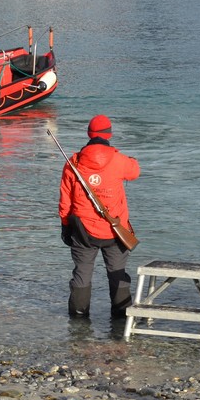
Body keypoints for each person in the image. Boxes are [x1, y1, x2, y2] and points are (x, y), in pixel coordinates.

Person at [58, 114, 140, 319]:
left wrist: (65, 226)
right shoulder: (120, 161)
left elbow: (65, 202)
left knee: (82, 274)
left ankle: (78, 321)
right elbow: (135, 171)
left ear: (89, 134)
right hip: (114, 231)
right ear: (109, 134)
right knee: (117, 273)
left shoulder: (73, 163)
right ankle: (121, 319)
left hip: (82, 231)